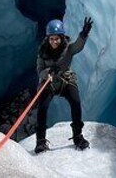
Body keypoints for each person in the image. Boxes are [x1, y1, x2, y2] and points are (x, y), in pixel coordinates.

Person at [34, 16, 93, 154]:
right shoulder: (42, 53)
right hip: (49, 83)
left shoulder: (68, 49)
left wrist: (83, 34)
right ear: (48, 39)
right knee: (42, 107)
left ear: (61, 37)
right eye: (52, 39)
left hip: (66, 80)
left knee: (75, 101)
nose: (54, 41)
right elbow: (39, 71)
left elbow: (78, 46)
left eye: (57, 38)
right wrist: (48, 72)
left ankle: (78, 136)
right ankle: (40, 141)